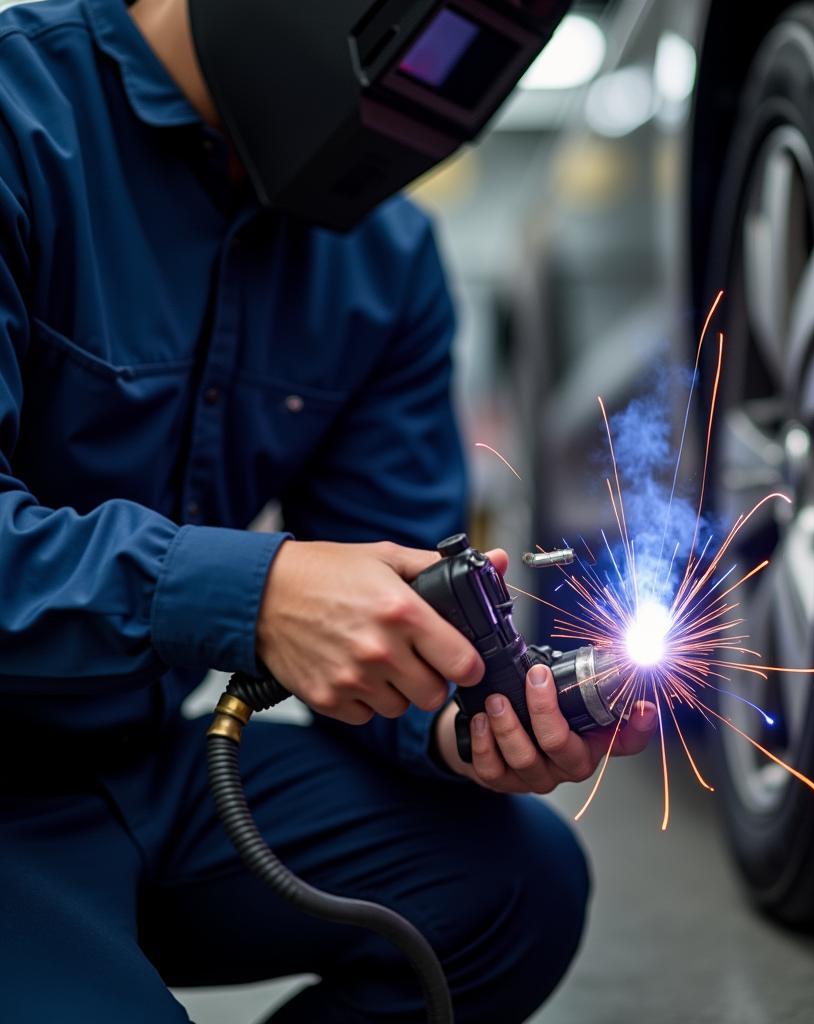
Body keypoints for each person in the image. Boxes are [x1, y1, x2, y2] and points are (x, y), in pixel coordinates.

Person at [0, 0, 658, 1020]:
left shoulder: (381, 262)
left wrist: (459, 721)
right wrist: (249, 595)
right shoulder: (19, 115)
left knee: (516, 885)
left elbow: (400, 591)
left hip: (133, 769)